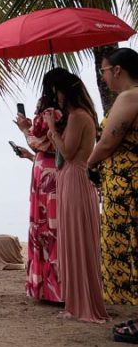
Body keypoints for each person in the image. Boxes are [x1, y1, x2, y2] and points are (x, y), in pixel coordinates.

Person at [45, 72, 108, 323]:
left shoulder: (78, 116)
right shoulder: (83, 116)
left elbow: (68, 152)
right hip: (75, 178)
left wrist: (52, 129)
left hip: (74, 178)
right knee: (77, 239)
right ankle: (79, 301)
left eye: (56, 92)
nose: (55, 98)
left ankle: (81, 305)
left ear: (64, 92)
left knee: (77, 240)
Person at [87, 48, 138, 338]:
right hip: (126, 180)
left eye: (104, 71)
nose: (103, 77)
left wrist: (90, 164)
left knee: (129, 246)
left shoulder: (130, 96)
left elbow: (108, 142)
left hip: (128, 184)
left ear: (117, 70)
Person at [14, 68, 70, 303]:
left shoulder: (49, 113)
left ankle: (46, 288)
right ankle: (60, 285)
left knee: (43, 227)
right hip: (56, 170)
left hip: (45, 172)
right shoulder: (69, 112)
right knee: (57, 226)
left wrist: (24, 128)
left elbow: (37, 141)